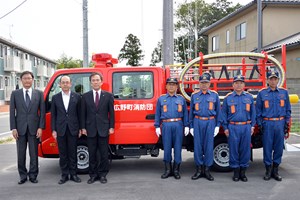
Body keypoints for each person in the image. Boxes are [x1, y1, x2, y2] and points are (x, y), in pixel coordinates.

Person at [9, 71, 45, 184]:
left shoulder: (39, 93)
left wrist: (40, 127)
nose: (27, 80)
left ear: (32, 80)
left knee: (34, 154)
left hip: (34, 129)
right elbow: (11, 112)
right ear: (21, 80)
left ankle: (33, 175)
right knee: (21, 154)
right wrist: (13, 128)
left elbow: (42, 112)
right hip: (19, 129)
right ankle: (22, 176)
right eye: (25, 78)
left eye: (29, 78)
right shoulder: (15, 94)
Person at [256, 70, 291, 181]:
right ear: (267, 80)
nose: (273, 81)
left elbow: (288, 109)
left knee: (278, 148)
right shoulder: (262, 93)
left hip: (280, 123)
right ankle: (268, 170)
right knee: (267, 147)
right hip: (268, 123)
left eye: (275, 79)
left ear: (278, 80)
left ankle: (275, 171)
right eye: (271, 79)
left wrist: (286, 123)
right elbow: (258, 111)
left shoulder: (284, 93)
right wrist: (260, 124)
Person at [81, 72, 115, 184]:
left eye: (97, 80)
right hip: (90, 129)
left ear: (101, 82)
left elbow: (111, 113)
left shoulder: (108, 96)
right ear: (91, 83)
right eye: (93, 80)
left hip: (104, 129)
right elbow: (83, 114)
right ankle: (92, 175)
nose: (95, 82)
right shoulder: (85, 96)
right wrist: (83, 127)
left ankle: (103, 175)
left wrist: (111, 127)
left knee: (104, 154)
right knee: (92, 153)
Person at [221, 75, 256, 182]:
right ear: (233, 85)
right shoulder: (228, 98)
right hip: (233, 127)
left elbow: (253, 113)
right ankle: (236, 172)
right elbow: (224, 114)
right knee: (234, 150)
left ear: (244, 85)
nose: (239, 85)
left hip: (246, 126)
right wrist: (226, 128)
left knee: (245, 150)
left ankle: (243, 172)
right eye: (236, 83)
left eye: (241, 83)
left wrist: (252, 126)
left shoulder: (249, 97)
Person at [154, 78, 189, 179]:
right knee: (167, 148)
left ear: (177, 87)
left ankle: (176, 170)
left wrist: (186, 125)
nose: (171, 86)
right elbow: (157, 114)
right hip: (166, 125)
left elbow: (185, 114)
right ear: (166, 86)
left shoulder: (181, 99)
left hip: (178, 124)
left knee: (178, 148)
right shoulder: (161, 99)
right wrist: (157, 126)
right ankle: (168, 170)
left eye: (173, 84)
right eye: (169, 84)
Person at [189, 72, 221, 181]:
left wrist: (217, 125)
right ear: (199, 83)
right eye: (202, 82)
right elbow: (191, 113)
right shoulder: (194, 95)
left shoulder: (214, 95)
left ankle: (207, 170)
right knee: (197, 147)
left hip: (210, 122)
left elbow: (218, 111)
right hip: (198, 121)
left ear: (209, 83)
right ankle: (198, 170)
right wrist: (191, 126)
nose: (204, 85)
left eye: (206, 83)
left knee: (208, 146)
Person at [51, 75, 82, 184]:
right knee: (63, 154)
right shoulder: (55, 98)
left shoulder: (77, 97)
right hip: (60, 129)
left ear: (70, 84)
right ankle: (64, 175)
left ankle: (74, 174)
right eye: (63, 82)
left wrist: (80, 128)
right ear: (59, 84)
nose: (65, 84)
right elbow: (53, 115)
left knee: (73, 153)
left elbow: (80, 114)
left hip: (73, 129)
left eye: (67, 82)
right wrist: (54, 130)